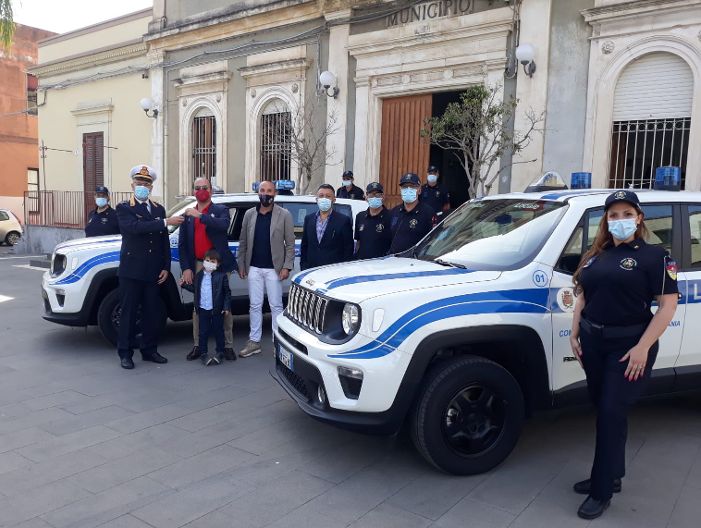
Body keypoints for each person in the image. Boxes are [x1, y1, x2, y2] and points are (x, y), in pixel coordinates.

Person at [570, 190, 679, 520]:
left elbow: (667, 306)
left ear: (639, 217)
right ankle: (612, 472)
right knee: (605, 410)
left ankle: (601, 491)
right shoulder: (596, 255)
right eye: (613, 215)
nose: (619, 220)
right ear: (606, 219)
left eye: (626, 214)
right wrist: (576, 332)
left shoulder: (655, 256)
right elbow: (582, 295)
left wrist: (642, 348)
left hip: (628, 348)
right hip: (592, 342)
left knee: (610, 413)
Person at [115, 165, 183, 370]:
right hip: (132, 271)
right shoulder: (124, 208)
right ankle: (125, 353)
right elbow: (134, 228)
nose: (142, 186)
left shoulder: (158, 208)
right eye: (139, 183)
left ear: (151, 186)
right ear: (132, 185)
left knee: (152, 313)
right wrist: (164, 222)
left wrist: (165, 267)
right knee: (128, 313)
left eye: (146, 183)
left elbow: (163, 240)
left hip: (154, 271)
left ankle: (149, 349)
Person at [178, 177, 237, 362]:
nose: (201, 190)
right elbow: (182, 245)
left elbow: (223, 225)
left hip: (218, 265)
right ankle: (198, 345)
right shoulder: (187, 215)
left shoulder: (220, 210)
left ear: (210, 190)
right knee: (198, 307)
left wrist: (201, 216)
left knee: (224, 307)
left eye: (204, 187)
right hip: (197, 265)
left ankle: (227, 346)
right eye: (197, 188)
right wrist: (186, 268)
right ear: (193, 191)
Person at [237, 180, 295, 358]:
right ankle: (254, 341)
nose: (266, 193)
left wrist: (287, 266)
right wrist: (241, 265)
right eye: (263, 190)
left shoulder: (283, 214)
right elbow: (243, 241)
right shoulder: (249, 214)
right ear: (258, 192)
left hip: (274, 269)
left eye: (269, 190)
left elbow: (290, 244)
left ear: (275, 193)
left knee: (276, 306)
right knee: (254, 305)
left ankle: (278, 342)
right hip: (254, 267)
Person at [300, 183, 353, 270]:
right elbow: (304, 246)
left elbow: (348, 249)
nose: (324, 198)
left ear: (334, 200)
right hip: (310, 270)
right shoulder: (308, 219)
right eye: (321, 196)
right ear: (316, 199)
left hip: (332, 271)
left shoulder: (343, 221)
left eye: (328, 196)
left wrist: (343, 270)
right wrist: (303, 267)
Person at [194, 249, 231, 366]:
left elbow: (227, 293)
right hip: (203, 308)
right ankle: (203, 352)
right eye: (207, 260)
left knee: (218, 331)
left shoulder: (221, 276)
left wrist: (226, 307)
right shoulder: (199, 275)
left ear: (217, 264)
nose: (209, 263)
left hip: (216, 309)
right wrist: (184, 285)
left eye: (212, 261)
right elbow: (195, 290)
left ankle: (220, 351)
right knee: (203, 332)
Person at [389, 173, 435, 254]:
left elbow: (433, 240)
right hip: (394, 261)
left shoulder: (428, 212)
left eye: (412, 186)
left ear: (419, 190)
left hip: (415, 262)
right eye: (405, 187)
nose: (408, 189)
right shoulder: (394, 212)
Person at [354, 182, 392, 259]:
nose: (374, 197)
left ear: (383, 197)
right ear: (366, 197)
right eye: (371, 195)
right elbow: (358, 242)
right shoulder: (360, 216)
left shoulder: (391, 217)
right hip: (362, 263)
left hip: (381, 264)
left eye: (377, 195)